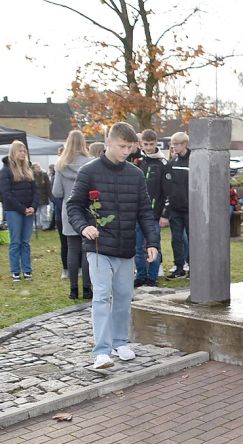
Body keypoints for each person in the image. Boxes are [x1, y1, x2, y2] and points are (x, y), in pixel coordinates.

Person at [66, 122, 159, 371]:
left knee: (124, 297)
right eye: (122, 146)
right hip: (97, 246)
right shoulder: (89, 172)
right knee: (101, 295)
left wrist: (152, 242)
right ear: (108, 142)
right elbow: (73, 205)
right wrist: (83, 226)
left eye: (130, 147)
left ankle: (120, 342)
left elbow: (145, 212)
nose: (126, 151)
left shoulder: (136, 174)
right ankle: (102, 352)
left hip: (126, 246)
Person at [52, 130, 93, 300]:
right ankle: (87, 288)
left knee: (72, 249)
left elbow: (57, 191)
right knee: (86, 251)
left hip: (68, 211)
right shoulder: (91, 163)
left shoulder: (61, 165)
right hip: (87, 211)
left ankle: (73, 289)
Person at [0, 141, 38, 281]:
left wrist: (34, 206)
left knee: (25, 242)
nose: (22, 153)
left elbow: (35, 191)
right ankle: (15, 270)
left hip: (29, 210)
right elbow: (6, 194)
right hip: (14, 211)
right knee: (16, 241)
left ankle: (27, 270)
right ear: (13, 152)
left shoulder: (29, 170)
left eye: (24, 151)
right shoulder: (6, 171)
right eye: (20, 151)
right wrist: (22, 209)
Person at [133, 129, 169, 287]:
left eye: (151, 144)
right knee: (137, 246)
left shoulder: (163, 163)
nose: (148, 147)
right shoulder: (137, 161)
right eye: (145, 144)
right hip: (137, 212)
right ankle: (140, 275)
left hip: (154, 213)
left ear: (156, 143)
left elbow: (168, 192)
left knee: (154, 244)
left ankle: (152, 277)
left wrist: (164, 214)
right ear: (141, 144)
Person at [161, 132, 190, 280]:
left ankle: (192, 267)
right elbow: (168, 188)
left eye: (177, 144)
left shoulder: (194, 160)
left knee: (192, 239)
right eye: (173, 144)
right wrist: (167, 211)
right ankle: (179, 268)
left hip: (191, 209)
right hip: (175, 209)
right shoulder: (172, 163)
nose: (174, 147)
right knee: (176, 239)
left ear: (184, 144)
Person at [32, 162, 51, 230]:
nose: (39, 168)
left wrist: (50, 196)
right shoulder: (31, 176)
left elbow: (48, 186)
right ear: (33, 169)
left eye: (39, 166)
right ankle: (36, 225)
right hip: (35, 198)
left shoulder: (44, 175)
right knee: (36, 213)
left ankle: (45, 225)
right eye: (37, 167)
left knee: (44, 212)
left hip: (44, 196)